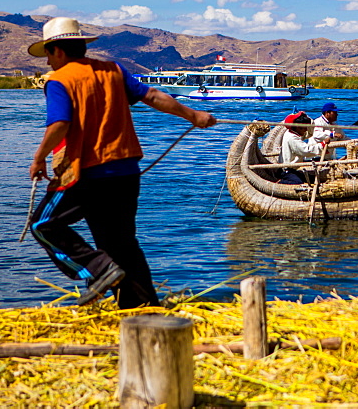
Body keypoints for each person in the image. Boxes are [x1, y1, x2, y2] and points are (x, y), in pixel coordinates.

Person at [26, 17, 216, 308]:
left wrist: (38, 159)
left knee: (42, 224)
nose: (48, 63)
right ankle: (142, 310)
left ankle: (98, 270)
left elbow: (60, 124)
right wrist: (194, 115)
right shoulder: (112, 71)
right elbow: (152, 95)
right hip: (126, 172)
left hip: (86, 172)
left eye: (48, 55)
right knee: (120, 245)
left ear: (58, 51)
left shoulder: (59, 80)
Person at [279, 111, 321, 183]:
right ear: (298, 127)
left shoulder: (294, 133)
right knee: (298, 183)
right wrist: (322, 146)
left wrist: (307, 117)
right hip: (287, 171)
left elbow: (310, 132)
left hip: (294, 169)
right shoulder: (292, 138)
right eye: (304, 128)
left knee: (312, 179)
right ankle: (281, 182)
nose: (306, 130)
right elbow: (305, 151)